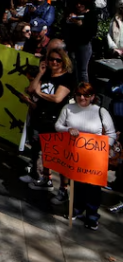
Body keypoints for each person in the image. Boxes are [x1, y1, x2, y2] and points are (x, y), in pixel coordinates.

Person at [55, 82, 116, 229]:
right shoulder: (68, 109)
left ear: (92, 96)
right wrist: (68, 129)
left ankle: (92, 216)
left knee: (93, 188)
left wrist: (104, 144)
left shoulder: (101, 112)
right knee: (76, 185)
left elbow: (111, 134)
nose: (82, 98)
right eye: (79, 95)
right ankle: (76, 210)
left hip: (94, 158)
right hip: (74, 155)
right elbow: (58, 126)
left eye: (86, 95)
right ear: (75, 95)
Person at [19, 48, 75, 190]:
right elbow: (31, 89)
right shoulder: (46, 75)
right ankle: (42, 177)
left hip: (54, 119)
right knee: (37, 148)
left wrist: (39, 93)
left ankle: (58, 186)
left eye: (58, 60)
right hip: (39, 116)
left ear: (64, 61)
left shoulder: (67, 78)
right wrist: (41, 73)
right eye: (51, 59)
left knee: (51, 153)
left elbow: (57, 98)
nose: (54, 62)